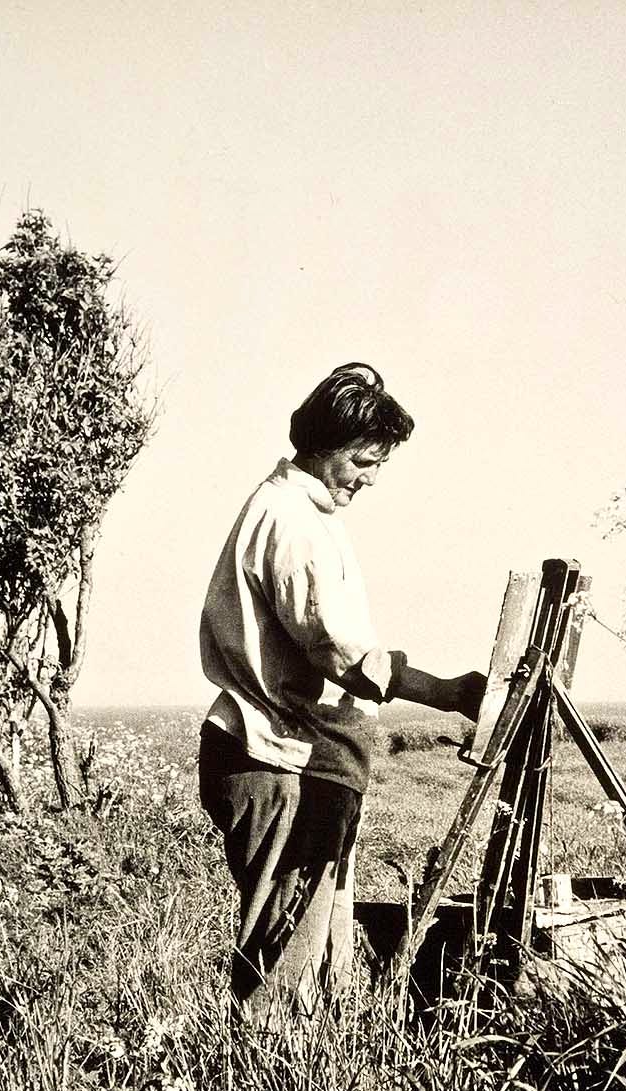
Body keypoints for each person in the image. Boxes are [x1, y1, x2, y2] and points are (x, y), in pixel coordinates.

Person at [198, 362, 485, 1021]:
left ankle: (300, 1088)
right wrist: (451, 691)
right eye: (363, 460)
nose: (370, 479)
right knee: (282, 954)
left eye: (379, 465)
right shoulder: (291, 522)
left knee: (308, 941)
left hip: (292, 752)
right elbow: (344, 655)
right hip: (272, 756)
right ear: (325, 445)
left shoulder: (305, 510)